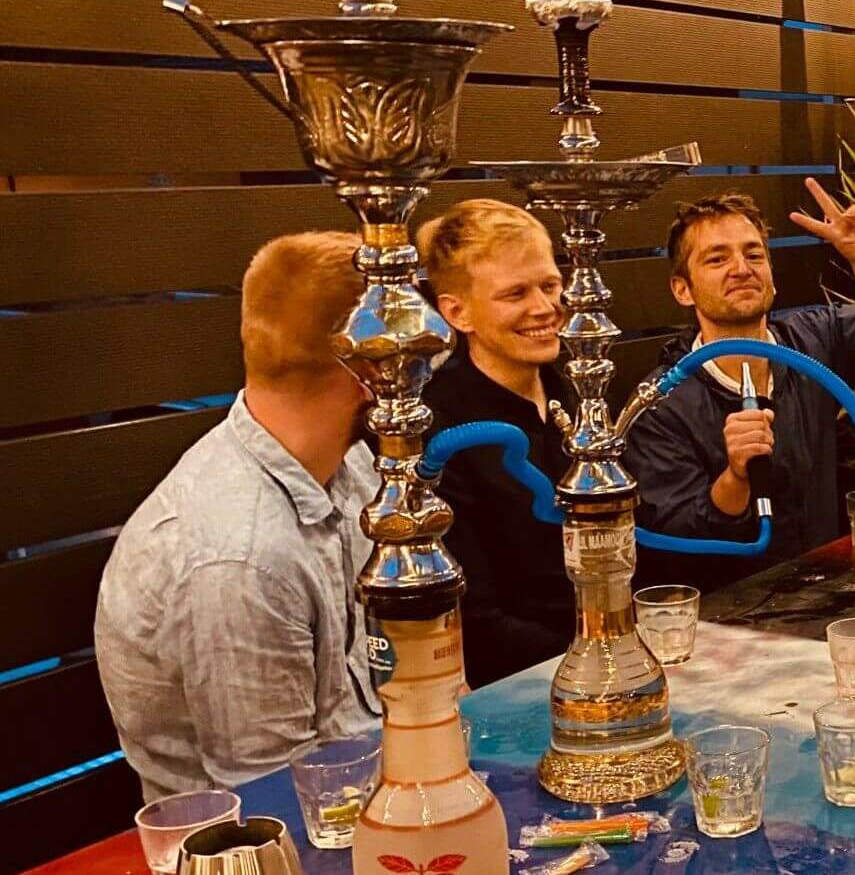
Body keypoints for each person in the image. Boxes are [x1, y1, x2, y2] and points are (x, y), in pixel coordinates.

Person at [96, 231, 380, 799]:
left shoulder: (354, 463)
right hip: (283, 827)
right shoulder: (242, 559)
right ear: (370, 372)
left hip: (376, 776)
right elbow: (275, 801)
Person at [625, 181, 855, 593]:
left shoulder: (813, 341)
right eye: (717, 259)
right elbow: (677, 547)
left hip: (826, 595)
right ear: (682, 289)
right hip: (729, 615)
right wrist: (736, 477)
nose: (741, 268)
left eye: (754, 254)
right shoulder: (660, 405)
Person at [419, 199, 574, 686]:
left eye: (550, 285)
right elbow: (477, 622)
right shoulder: (437, 428)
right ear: (457, 311)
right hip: (523, 685)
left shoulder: (573, 389)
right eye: (515, 294)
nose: (544, 308)